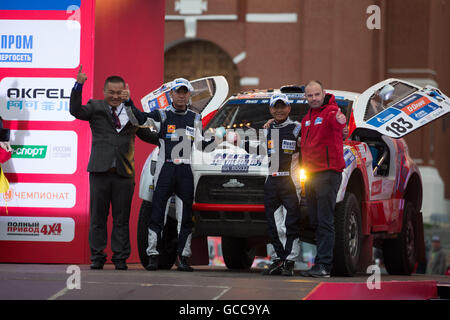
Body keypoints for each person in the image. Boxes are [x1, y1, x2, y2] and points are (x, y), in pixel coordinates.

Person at [70, 65, 158, 270]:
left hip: (124, 174)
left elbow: (146, 134)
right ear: (104, 91)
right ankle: (97, 257)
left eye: (120, 93)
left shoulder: (131, 111)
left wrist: (169, 139)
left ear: (126, 92)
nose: (115, 96)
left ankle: (120, 258)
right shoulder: (95, 107)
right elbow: (75, 111)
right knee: (98, 218)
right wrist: (78, 85)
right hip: (99, 172)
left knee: (121, 219)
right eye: (112, 92)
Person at [127, 78, 210, 272]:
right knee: (157, 215)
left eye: (185, 92)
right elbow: (139, 119)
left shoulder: (195, 118)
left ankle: (183, 258)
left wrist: (220, 138)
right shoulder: (162, 115)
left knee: (185, 217)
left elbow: (201, 144)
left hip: (185, 172)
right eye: (178, 92)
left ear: (189, 95)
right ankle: (153, 256)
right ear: (171, 95)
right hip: (166, 170)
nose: (181, 96)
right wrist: (128, 102)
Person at [299, 80, 346, 278]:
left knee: (325, 221)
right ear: (305, 97)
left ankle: (325, 265)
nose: (314, 98)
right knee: (317, 221)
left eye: (317, 94)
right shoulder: (306, 118)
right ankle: (320, 263)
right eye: (310, 95)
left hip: (328, 173)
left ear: (324, 93)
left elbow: (339, 123)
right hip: (310, 175)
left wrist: (341, 121)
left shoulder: (331, 112)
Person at [261, 93, 301, 277]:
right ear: (270, 110)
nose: (279, 110)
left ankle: (290, 261)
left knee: (290, 223)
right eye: (275, 107)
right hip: (271, 180)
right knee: (274, 223)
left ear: (289, 108)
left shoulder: (297, 128)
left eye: (282, 106)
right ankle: (278, 259)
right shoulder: (266, 129)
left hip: (290, 181)